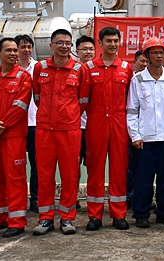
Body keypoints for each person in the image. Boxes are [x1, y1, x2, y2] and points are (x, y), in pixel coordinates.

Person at [31, 29, 90, 236]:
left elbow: (83, 100)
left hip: (69, 130)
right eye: (60, 43)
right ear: (51, 45)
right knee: (44, 175)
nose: (64, 46)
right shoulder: (40, 68)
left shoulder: (79, 69)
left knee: (70, 175)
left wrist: (68, 116)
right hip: (45, 130)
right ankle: (45, 218)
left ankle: (67, 217)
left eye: (67, 43)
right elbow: (37, 97)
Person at [0, 38, 33, 237]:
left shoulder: (23, 77)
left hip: (13, 136)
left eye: (15, 50)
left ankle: (17, 221)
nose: (13, 54)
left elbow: (20, 107)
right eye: (9, 50)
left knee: (15, 178)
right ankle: (0, 217)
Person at [84, 27, 133, 231]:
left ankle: (118, 214)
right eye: (108, 41)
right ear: (100, 43)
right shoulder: (88, 68)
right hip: (96, 122)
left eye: (115, 41)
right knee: (95, 169)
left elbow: (131, 98)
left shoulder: (126, 68)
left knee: (119, 169)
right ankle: (94, 215)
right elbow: (83, 99)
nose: (112, 44)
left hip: (119, 121)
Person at [126, 36, 164, 228]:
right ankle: (141, 213)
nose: (158, 56)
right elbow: (132, 110)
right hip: (145, 140)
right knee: (143, 180)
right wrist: (135, 135)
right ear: (147, 56)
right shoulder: (138, 80)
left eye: (161, 52)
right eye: (154, 53)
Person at [16, 34, 39, 213]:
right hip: (15, 125)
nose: (26, 50)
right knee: (16, 165)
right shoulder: (9, 70)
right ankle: (17, 200)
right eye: (23, 47)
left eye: (29, 46)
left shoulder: (39, 68)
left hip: (36, 123)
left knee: (37, 165)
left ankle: (36, 199)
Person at [74, 35, 95, 211]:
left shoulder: (97, 70)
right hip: (75, 126)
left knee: (93, 165)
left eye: (91, 49)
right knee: (74, 165)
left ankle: (93, 199)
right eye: (84, 49)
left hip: (94, 126)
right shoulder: (73, 71)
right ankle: (73, 197)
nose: (88, 52)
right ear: (77, 51)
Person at [126, 49, 148, 209]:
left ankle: (143, 199)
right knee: (130, 168)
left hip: (148, 134)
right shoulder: (131, 80)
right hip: (130, 132)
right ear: (134, 62)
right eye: (142, 61)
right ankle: (130, 197)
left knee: (145, 170)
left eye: (147, 61)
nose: (145, 64)